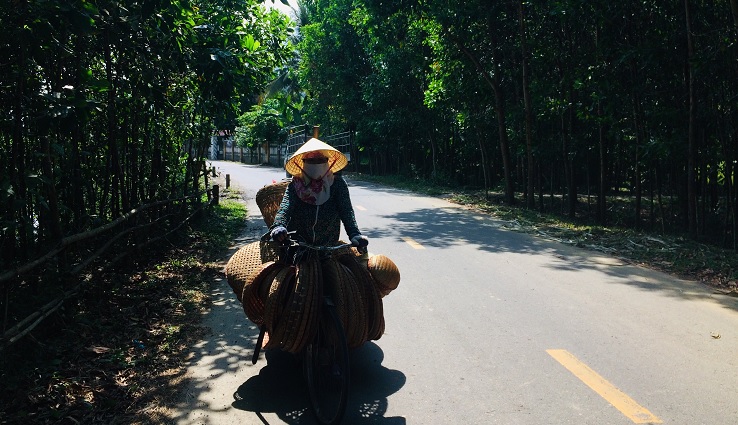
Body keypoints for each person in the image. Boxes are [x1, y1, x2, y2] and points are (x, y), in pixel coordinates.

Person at [270, 138, 369, 248]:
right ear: (303, 163)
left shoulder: (338, 184)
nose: (316, 164)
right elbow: (285, 208)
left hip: (329, 247)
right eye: (311, 161)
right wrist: (278, 225)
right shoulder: (295, 185)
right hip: (297, 245)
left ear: (328, 162)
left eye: (321, 160)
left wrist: (354, 234)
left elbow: (346, 211)